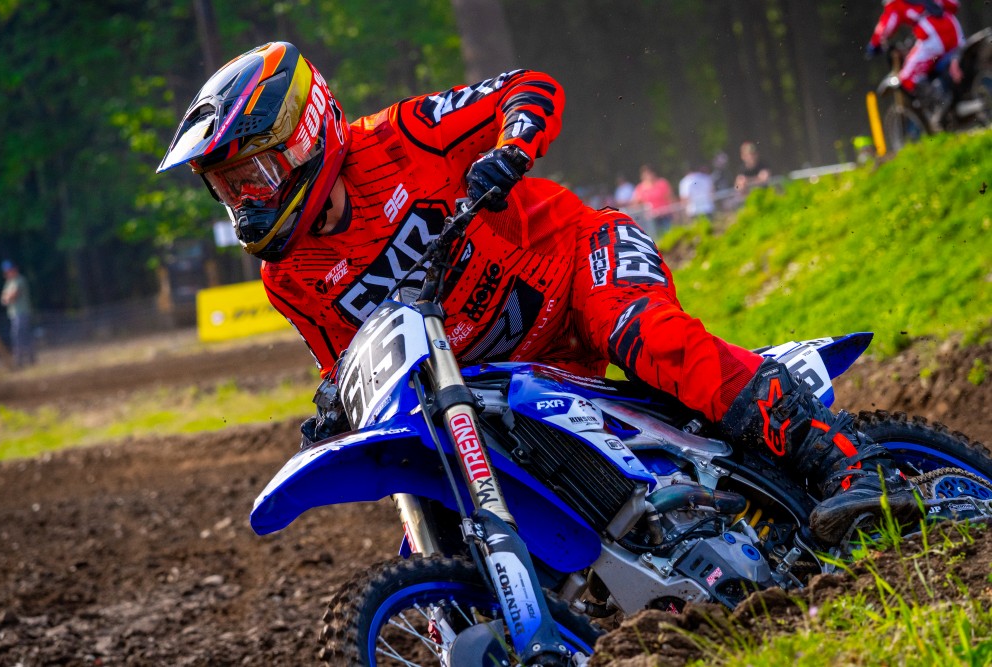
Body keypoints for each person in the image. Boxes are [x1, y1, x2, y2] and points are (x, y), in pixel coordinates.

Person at [157, 42, 920, 545]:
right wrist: (335, 409)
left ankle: (850, 462)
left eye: (252, 176)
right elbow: (353, 367)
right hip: (510, 373)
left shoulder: (402, 137)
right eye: (228, 189)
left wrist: (511, 149)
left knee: (644, 335)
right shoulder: (288, 277)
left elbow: (529, 86)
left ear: (304, 134)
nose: (245, 204)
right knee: (452, 465)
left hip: (579, 265)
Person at [866, 0, 963, 117]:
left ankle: (941, 106)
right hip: (954, 28)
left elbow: (887, 25)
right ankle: (948, 95)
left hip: (933, 34)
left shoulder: (895, 3)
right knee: (931, 63)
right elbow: (954, 5)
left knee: (906, 76)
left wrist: (874, 45)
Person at [0, 260, 35, 368]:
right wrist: (7, 297)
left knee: (20, 335)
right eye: (6, 271)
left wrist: (8, 297)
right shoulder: (9, 283)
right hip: (13, 314)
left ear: (14, 269)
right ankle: (23, 359)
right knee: (19, 335)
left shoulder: (20, 280)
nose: (8, 272)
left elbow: (12, 296)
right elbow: (3, 299)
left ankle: (24, 359)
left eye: (9, 270)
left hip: (22, 312)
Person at [631, 164, 675, 231]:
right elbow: (635, 204)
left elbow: (670, 198)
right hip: (650, 219)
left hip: (665, 216)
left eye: (650, 173)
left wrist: (673, 212)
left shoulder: (662, 183)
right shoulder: (640, 188)